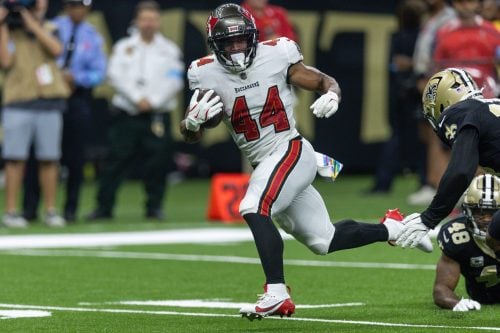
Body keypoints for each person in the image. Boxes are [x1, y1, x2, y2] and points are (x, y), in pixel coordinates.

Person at [181, 3, 433, 320]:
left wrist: (333, 93)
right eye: (227, 42)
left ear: (253, 37)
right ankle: (393, 229)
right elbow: (198, 129)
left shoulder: (277, 53)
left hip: (291, 150)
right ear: (214, 45)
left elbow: (320, 79)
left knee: (252, 206)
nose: (235, 47)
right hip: (267, 163)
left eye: (241, 39)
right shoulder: (204, 72)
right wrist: (191, 125)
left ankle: (276, 293)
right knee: (323, 240)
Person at [86, 0, 184, 221]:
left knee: (158, 163)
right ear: (137, 21)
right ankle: (104, 207)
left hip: (157, 115)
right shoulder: (123, 47)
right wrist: (138, 98)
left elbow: (174, 80)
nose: (148, 24)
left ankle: (154, 207)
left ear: (158, 21)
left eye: (152, 19)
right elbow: (115, 76)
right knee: (115, 161)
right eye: (144, 19)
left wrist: (153, 100)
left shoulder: (169, 50)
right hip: (127, 114)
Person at [396, 68, 500, 262]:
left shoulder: (460, 112)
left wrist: (429, 218)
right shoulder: (488, 106)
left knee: (495, 235)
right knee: (496, 232)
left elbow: (461, 171)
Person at [22, 0, 107, 222]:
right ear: (66, 7)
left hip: (76, 99)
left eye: (81, 6)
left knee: (75, 158)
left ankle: (70, 209)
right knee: (39, 155)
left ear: (87, 9)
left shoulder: (93, 36)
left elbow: (99, 72)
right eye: (73, 5)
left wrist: (77, 79)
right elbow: (35, 59)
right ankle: (30, 208)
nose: (77, 10)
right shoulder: (51, 28)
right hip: (48, 97)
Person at [0, 0, 70, 228]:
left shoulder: (51, 27)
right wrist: (2, 23)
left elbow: (57, 50)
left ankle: (50, 210)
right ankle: (11, 212)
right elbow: (4, 61)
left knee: (50, 158)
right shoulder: (7, 29)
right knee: (14, 159)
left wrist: (32, 23)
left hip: (48, 102)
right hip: (18, 102)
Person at [367, 0, 427, 194]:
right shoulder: (414, 37)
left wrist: (410, 64)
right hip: (410, 91)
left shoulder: (408, 37)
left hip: (412, 91)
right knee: (420, 137)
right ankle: (424, 181)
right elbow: (396, 64)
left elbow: (397, 64)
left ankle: (386, 183)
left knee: (411, 137)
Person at [407, 0, 456, 205]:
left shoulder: (450, 18)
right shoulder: (430, 17)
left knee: (446, 135)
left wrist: (436, 79)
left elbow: (446, 53)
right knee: (430, 133)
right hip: (427, 78)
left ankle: (445, 185)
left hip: (442, 79)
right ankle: (433, 182)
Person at [434, 174, 500, 311]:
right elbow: (441, 289)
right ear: (467, 210)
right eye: (480, 212)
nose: (487, 219)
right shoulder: (457, 235)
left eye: (493, 213)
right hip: (481, 297)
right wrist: (455, 303)